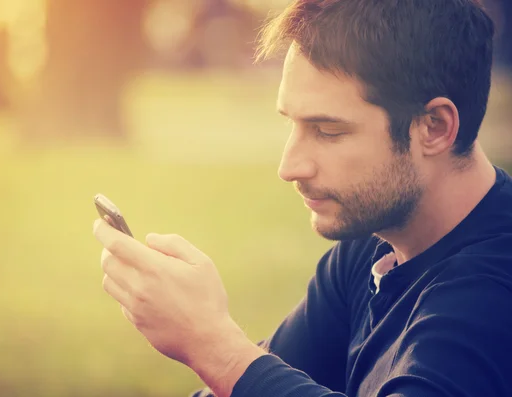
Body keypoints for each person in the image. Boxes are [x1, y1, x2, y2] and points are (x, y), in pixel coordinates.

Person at [92, 1, 512, 396]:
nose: (289, 167)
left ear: (434, 128)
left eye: (327, 131)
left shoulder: (491, 296)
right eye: (292, 124)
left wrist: (212, 345)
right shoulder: (373, 248)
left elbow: (238, 370)